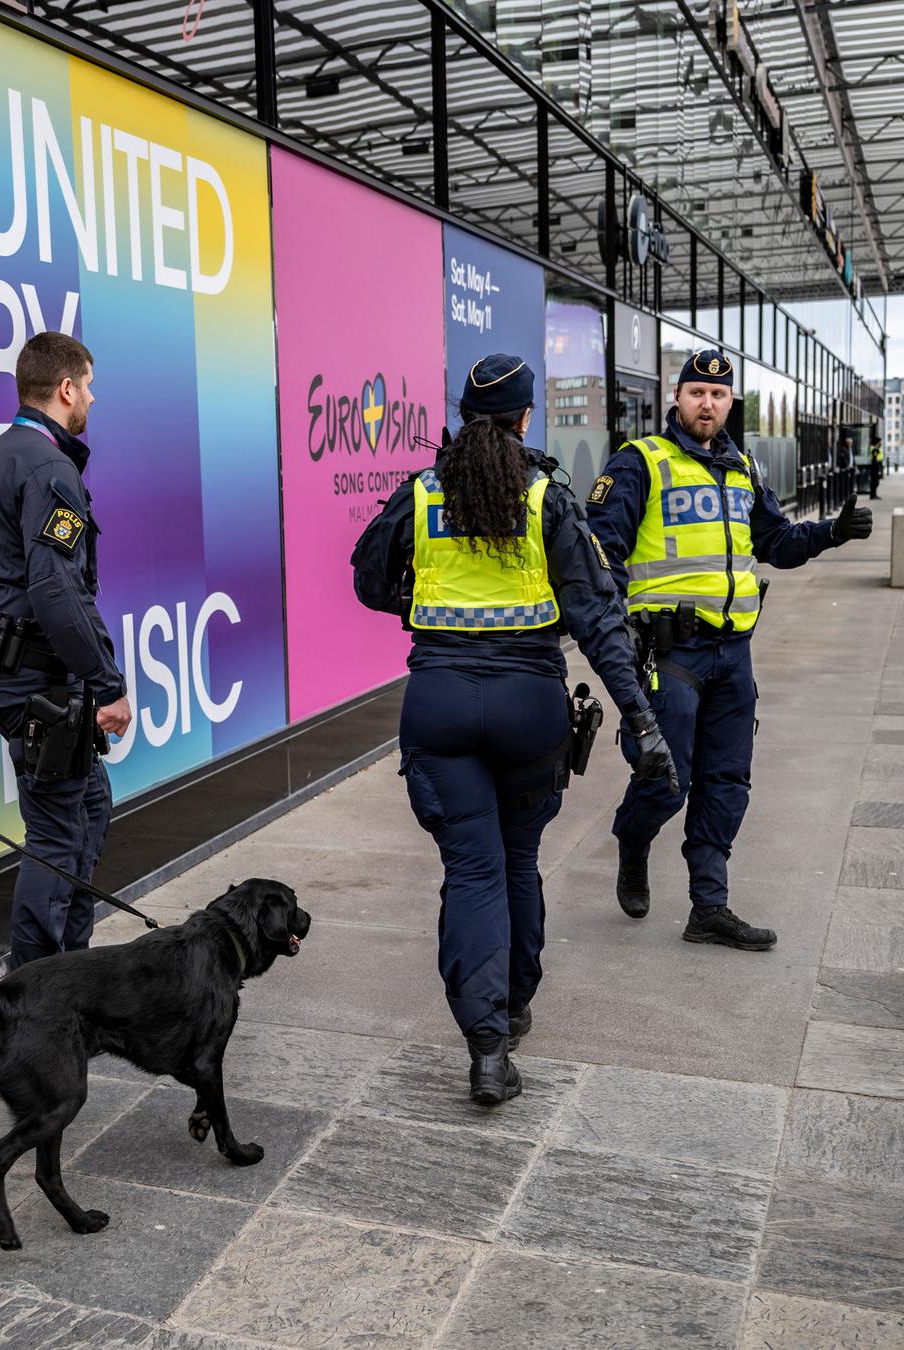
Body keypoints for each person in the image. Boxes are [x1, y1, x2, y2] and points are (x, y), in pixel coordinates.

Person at [353, 354, 676, 1104]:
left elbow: (367, 579)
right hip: (530, 707)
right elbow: (599, 619)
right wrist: (642, 719)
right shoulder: (545, 498)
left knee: (473, 870)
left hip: (438, 703)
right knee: (519, 861)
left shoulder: (421, 492)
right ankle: (516, 1006)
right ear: (527, 418)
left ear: (464, 415)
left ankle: (487, 1049)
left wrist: (418, 604)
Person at [585, 349, 870, 950]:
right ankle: (633, 838)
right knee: (667, 779)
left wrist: (831, 532)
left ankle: (709, 907)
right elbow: (601, 553)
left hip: (733, 652)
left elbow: (776, 543)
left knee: (727, 781)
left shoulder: (743, 468)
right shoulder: (641, 461)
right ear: (677, 398)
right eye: (696, 393)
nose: (707, 404)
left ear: (730, 402)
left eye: (718, 395)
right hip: (672, 653)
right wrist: (617, 632)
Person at [0, 332, 133, 968]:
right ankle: (34, 988)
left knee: (89, 803)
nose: (93, 398)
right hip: (32, 675)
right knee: (57, 832)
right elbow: (57, 589)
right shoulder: (50, 469)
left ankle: (68, 969)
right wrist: (107, 684)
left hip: (2, 664)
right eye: (89, 386)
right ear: (65, 389)